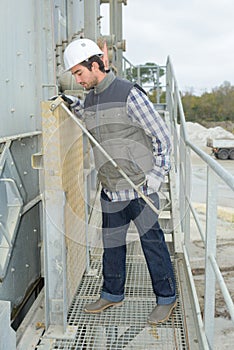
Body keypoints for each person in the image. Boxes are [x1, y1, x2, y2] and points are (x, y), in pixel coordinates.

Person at [63, 38, 176, 325]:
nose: (78, 79)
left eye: (79, 72)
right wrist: (70, 103)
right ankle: (112, 293)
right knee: (112, 244)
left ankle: (166, 298)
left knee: (153, 245)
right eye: (74, 74)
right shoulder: (89, 99)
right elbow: (91, 119)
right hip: (110, 189)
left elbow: (162, 136)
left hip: (139, 188)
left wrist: (156, 177)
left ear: (96, 64)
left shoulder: (129, 94)